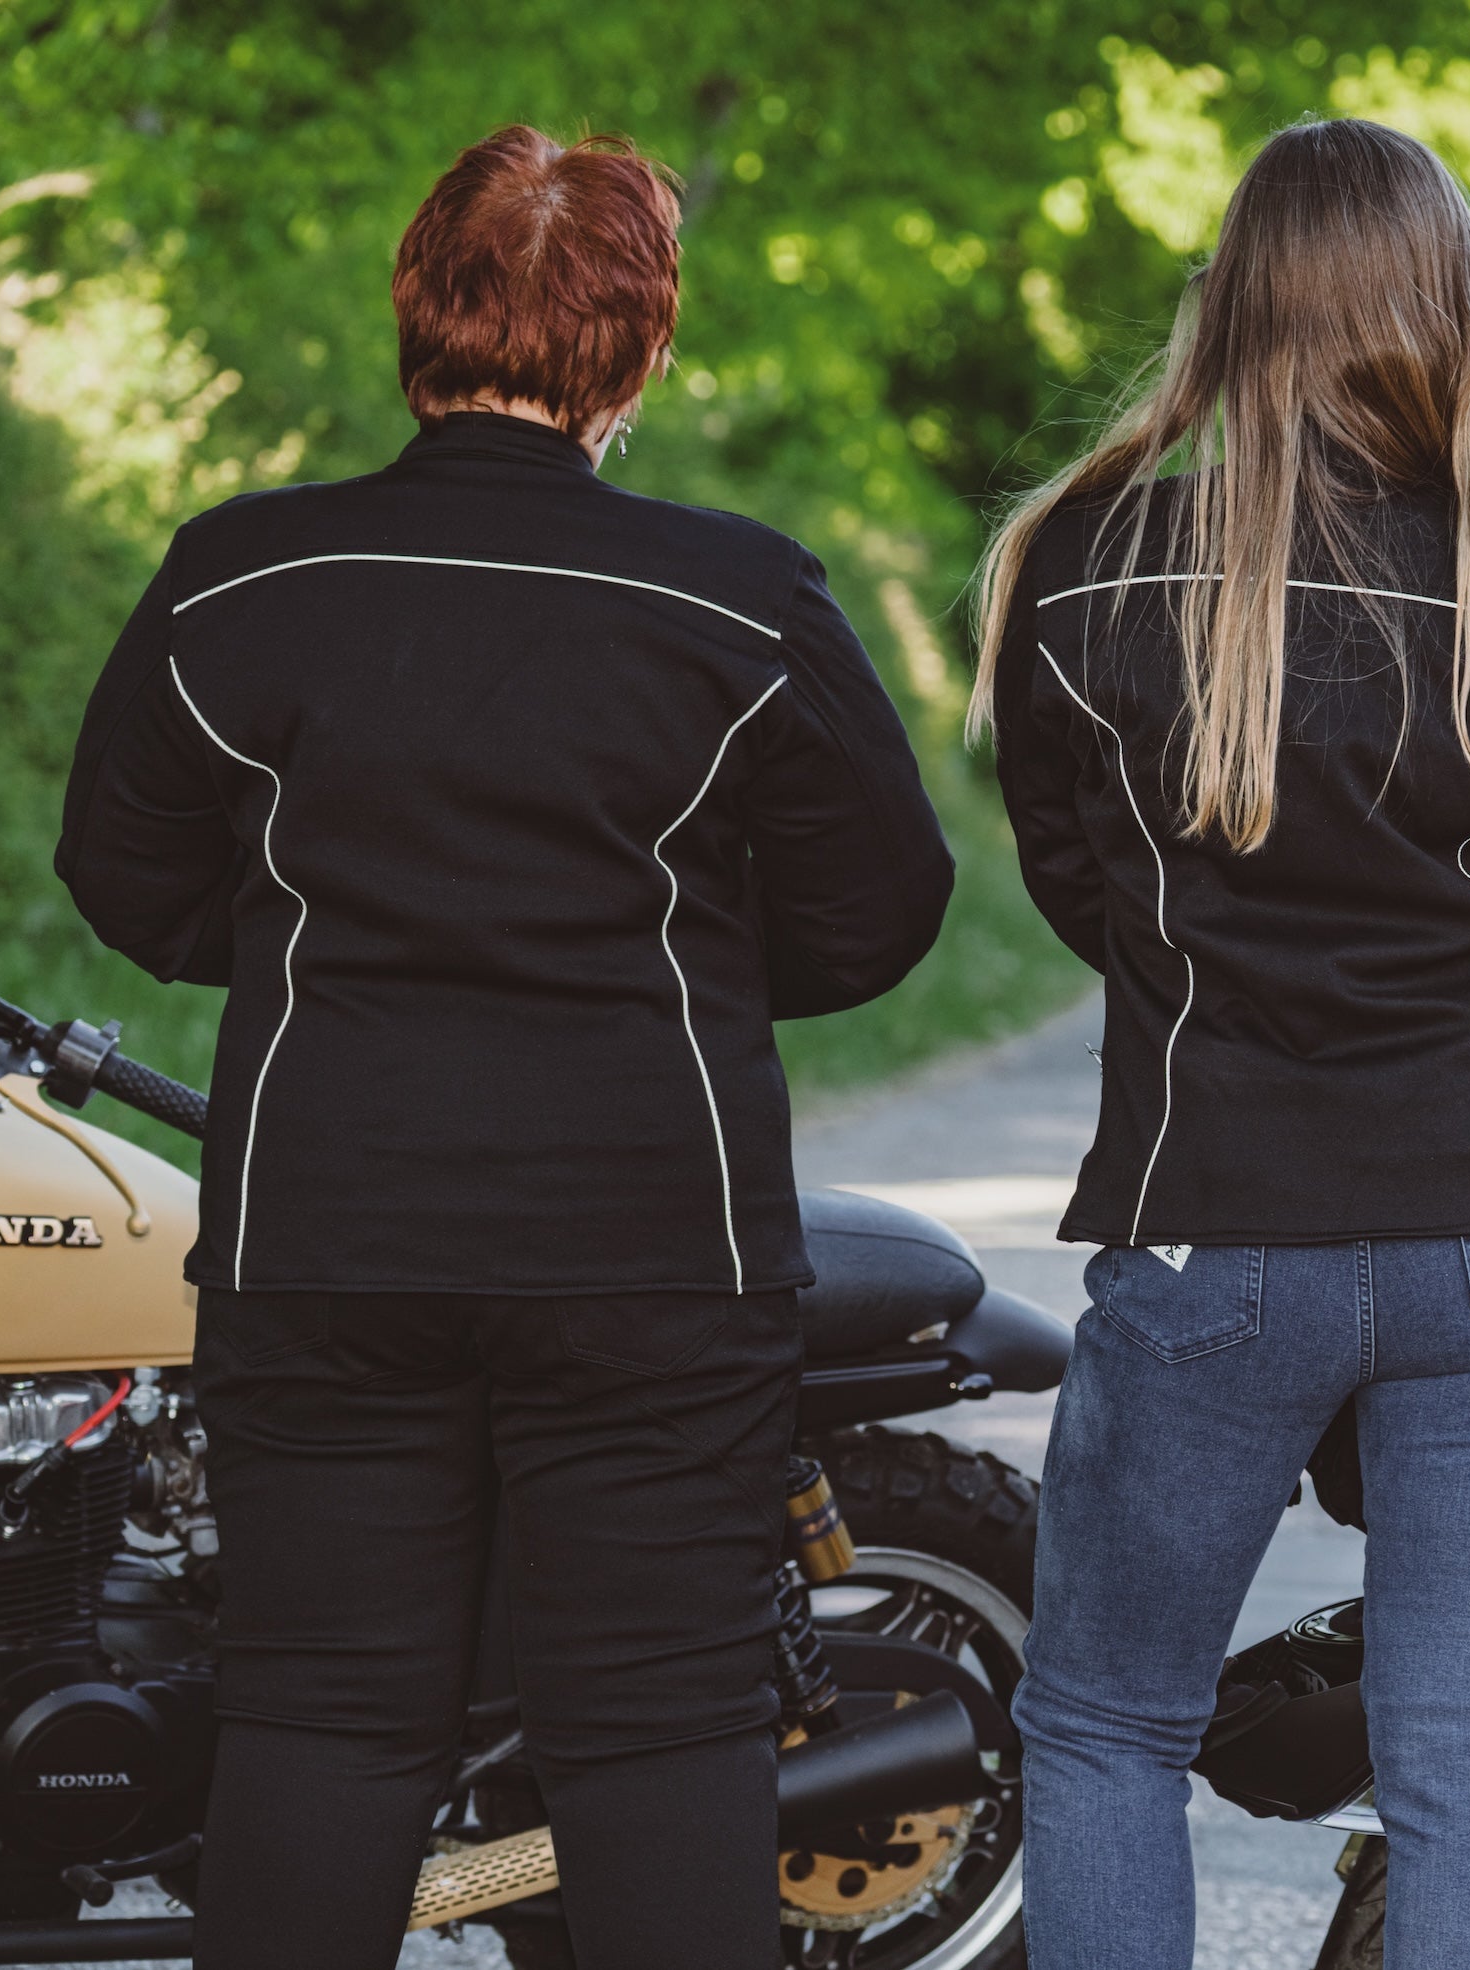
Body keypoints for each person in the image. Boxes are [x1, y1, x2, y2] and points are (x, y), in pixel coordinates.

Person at [56, 126, 952, 1970]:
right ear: (638, 352)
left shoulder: (244, 580)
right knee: (659, 1731)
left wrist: (305, 956)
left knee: (323, 1720)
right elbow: (879, 909)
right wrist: (666, 976)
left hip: (328, 1237)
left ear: (417, 309)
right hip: (647, 1254)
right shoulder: (739, 605)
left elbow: (123, 869)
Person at [978, 117, 1470, 1970]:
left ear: (1234, 313)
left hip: (1222, 1214)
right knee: (1468, 1757)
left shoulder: (1086, 563)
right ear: (1458, 314)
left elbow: (1085, 884)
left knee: (1109, 1726)